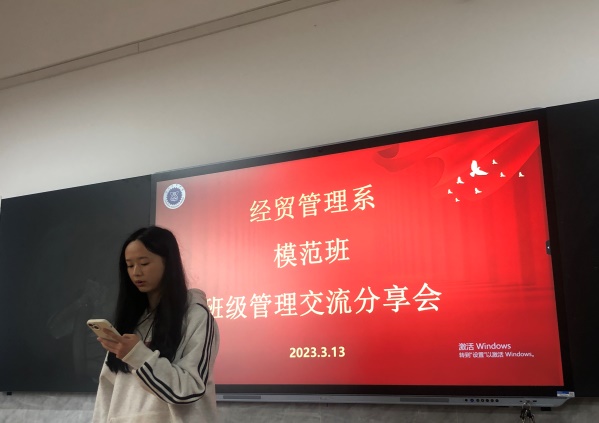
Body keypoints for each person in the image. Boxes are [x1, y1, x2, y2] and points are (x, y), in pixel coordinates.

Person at [92, 226, 220, 423]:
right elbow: (107, 390)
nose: (136, 272)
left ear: (168, 262)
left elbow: (190, 389)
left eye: (144, 263)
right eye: (129, 265)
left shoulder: (195, 316)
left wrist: (137, 355)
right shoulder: (130, 320)